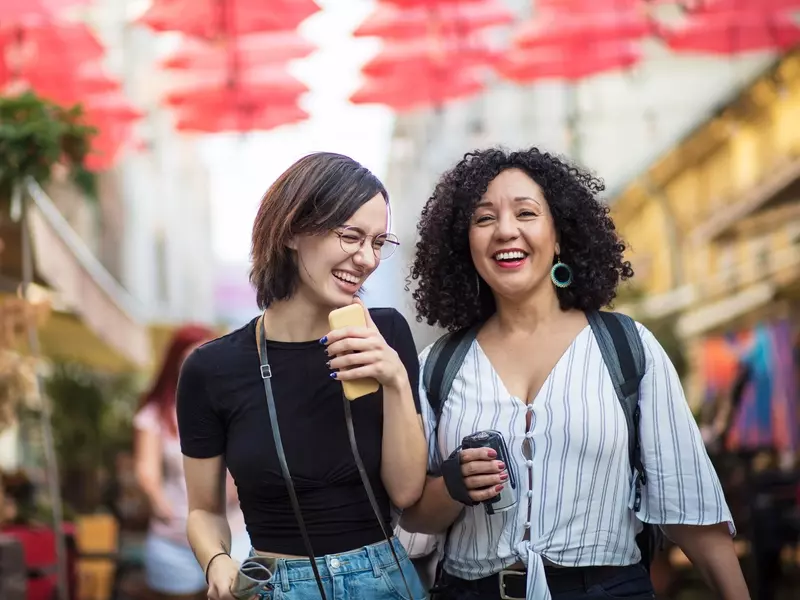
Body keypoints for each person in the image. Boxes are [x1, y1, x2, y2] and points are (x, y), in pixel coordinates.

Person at [400, 147, 750, 600]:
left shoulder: (627, 348)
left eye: (526, 213)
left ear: (560, 234)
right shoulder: (438, 366)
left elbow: (690, 510)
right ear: (464, 244)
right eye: (483, 219)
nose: (506, 230)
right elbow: (413, 519)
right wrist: (453, 484)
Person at [176, 152, 428, 600]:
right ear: (292, 229)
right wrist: (216, 560)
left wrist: (395, 379)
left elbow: (406, 492)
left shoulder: (384, 333)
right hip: (276, 585)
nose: (366, 258)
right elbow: (203, 511)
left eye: (378, 242)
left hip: (383, 579)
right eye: (351, 236)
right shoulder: (211, 370)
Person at [134, 325, 250, 600]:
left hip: (232, 536)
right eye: (191, 358)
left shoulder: (233, 406)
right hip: (174, 538)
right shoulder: (156, 414)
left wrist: (238, 491)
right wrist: (158, 501)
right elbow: (146, 469)